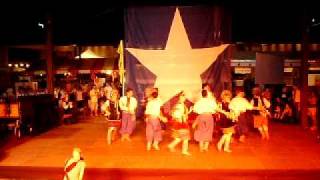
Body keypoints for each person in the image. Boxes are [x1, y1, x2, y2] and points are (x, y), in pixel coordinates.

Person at [168, 91, 191, 155]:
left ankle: (171, 146)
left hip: (179, 123)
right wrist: (182, 117)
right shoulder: (179, 105)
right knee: (185, 138)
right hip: (181, 123)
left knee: (178, 138)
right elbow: (176, 114)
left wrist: (187, 113)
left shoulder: (180, 105)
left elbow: (175, 114)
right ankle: (184, 151)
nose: (184, 98)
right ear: (180, 97)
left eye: (184, 96)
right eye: (183, 96)